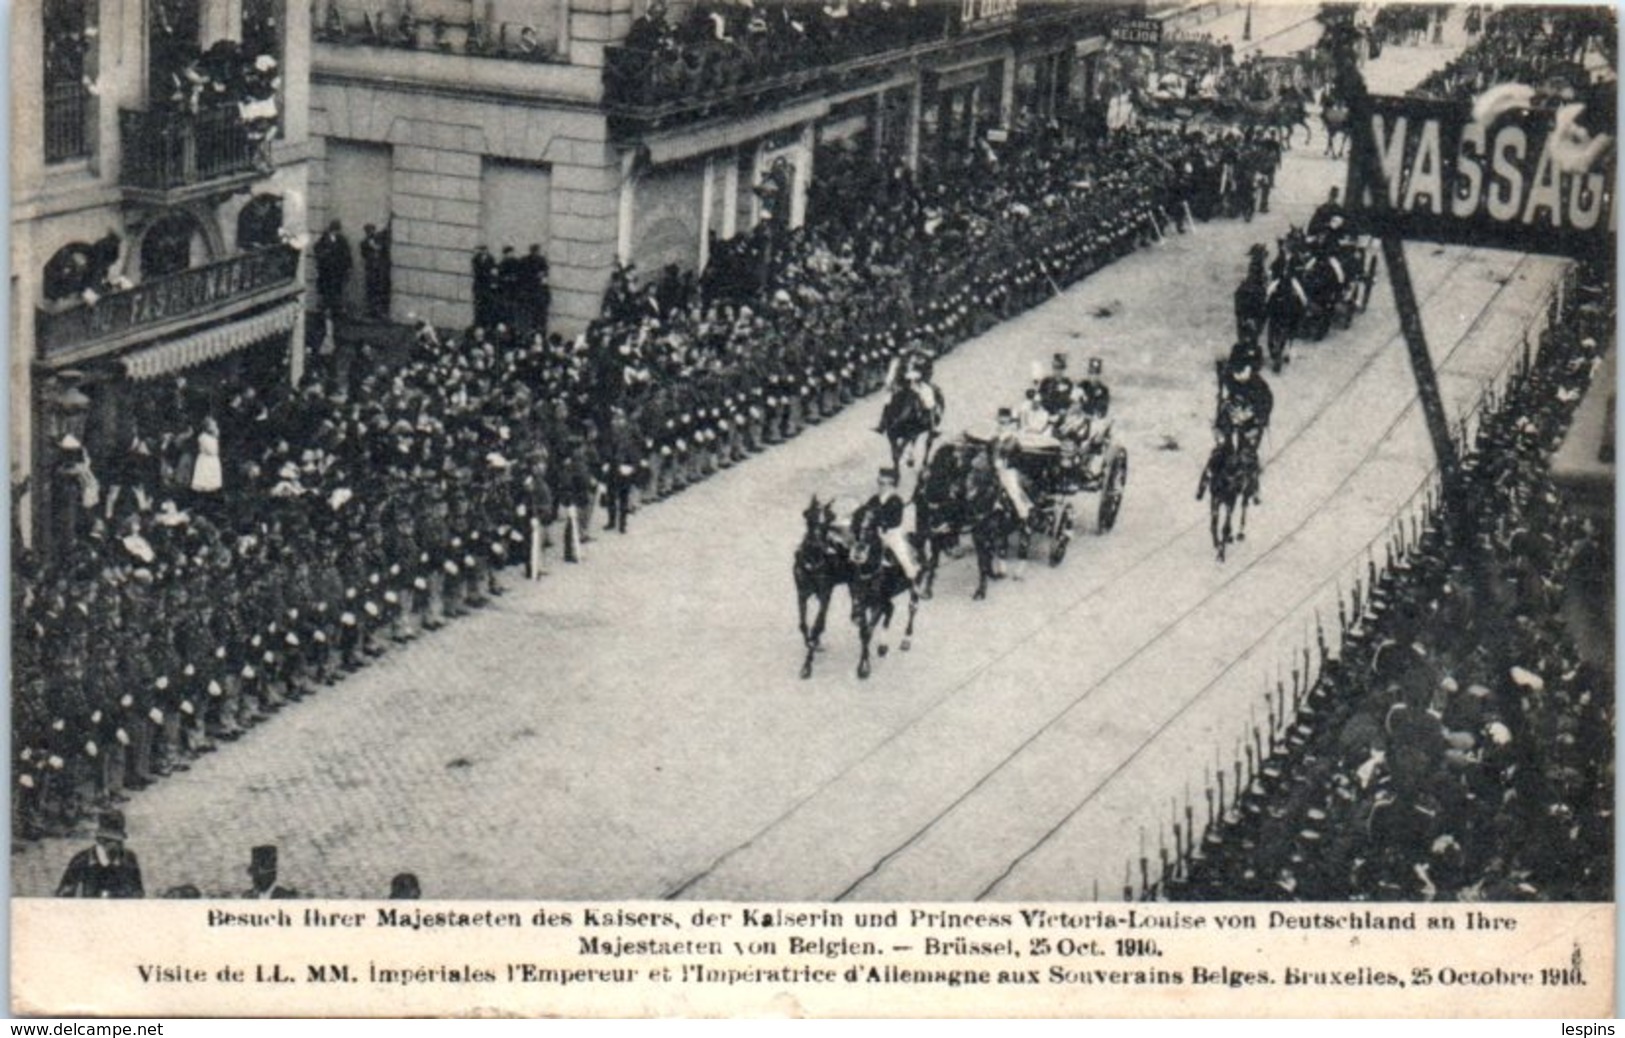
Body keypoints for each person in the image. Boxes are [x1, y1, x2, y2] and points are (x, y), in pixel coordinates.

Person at [853, 468, 920, 588]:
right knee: (857, 548)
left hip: (891, 533)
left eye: (884, 483)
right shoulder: (875, 498)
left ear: (892, 485)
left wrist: (882, 522)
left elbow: (896, 521)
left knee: (902, 554)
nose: (880, 486)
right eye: (879, 482)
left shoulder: (895, 500)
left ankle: (914, 582)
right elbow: (866, 510)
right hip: (874, 532)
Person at [56, 810, 144, 898]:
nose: (117, 846)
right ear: (100, 840)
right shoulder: (82, 860)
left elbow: (138, 893)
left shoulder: (129, 859)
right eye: (111, 841)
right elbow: (63, 895)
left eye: (119, 841)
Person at [313, 220, 352, 314]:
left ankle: (336, 309)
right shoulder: (324, 238)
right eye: (334, 230)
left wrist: (348, 267)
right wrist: (324, 254)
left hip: (338, 270)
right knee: (326, 289)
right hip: (326, 270)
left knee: (337, 289)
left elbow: (346, 253)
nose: (336, 232)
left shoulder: (341, 239)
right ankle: (326, 308)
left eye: (337, 230)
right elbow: (317, 249)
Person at [360, 223, 391, 320]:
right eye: (368, 231)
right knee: (371, 290)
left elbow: (383, 247)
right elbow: (364, 255)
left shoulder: (380, 239)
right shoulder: (364, 243)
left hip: (381, 270)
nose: (370, 233)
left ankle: (380, 311)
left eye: (371, 230)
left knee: (381, 289)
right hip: (371, 270)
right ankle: (372, 310)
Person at [471, 245, 499, 329]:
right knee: (478, 304)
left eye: (485, 250)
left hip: (487, 286)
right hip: (479, 285)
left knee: (487, 305)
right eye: (482, 250)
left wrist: (492, 282)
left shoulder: (491, 259)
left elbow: (493, 271)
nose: (483, 252)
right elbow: (475, 270)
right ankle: (478, 322)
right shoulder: (475, 258)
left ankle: (486, 323)